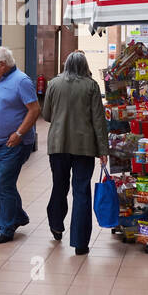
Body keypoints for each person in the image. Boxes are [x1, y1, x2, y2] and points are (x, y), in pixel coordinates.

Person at [42, 50, 109, 255]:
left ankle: (56, 224)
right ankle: (80, 243)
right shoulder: (91, 86)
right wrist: (103, 150)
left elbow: (46, 115)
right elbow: (99, 121)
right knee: (81, 192)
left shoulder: (53, 84)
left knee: (59, 186)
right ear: (84, 65)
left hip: (58, 146)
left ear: (66, 65)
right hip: (84, 147)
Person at [0, 46, 40, 244]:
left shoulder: (22, 81)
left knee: (5, 185)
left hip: (14, 143)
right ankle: (18, 216)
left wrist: (19, 133)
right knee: (0, 184)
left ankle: (6, 229)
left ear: (2, 65)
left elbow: (34, 110)